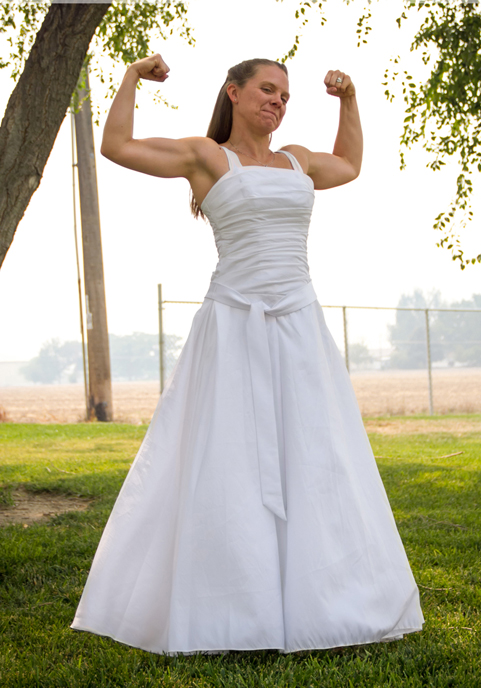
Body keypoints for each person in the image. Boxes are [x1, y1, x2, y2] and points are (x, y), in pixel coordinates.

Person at [71, 54, 424, 655]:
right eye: (268, 89)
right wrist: (131, 77)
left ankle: (332, 601)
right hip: (233, 325)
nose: (279, 102)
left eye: (285, 95)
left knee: (317, 455)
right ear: (233, 93)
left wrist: (350, 100)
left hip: (300, 328)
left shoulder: (299, 160)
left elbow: (351, 165)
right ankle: (231, 607)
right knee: (225, 459)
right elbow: (117, 146)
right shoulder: (206, 158)